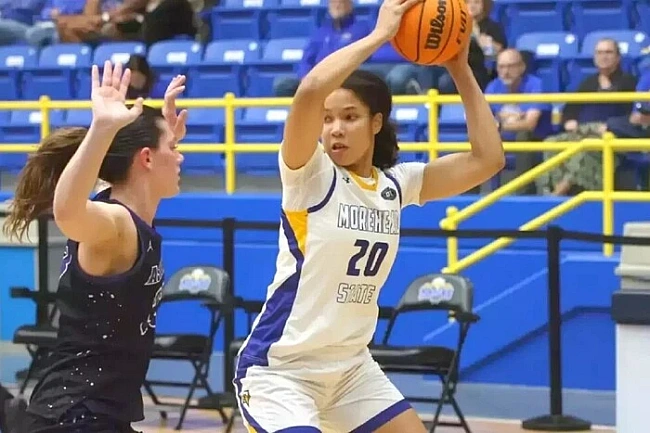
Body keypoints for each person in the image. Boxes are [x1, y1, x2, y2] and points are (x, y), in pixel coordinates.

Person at [233, 0, 505, 431]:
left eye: (349, 117)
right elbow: (309, 91)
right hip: (280, 372)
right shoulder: (310, 176)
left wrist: (459, 67)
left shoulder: (397, 185)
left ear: (376, 123)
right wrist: (379, 36)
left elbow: (488, 159)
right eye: (327, 119)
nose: (335, 129)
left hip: (351, 371)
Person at [1, 61, 187, 433]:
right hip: (74, 418)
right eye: (173, 148)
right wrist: (103, 128)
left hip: (94, 416)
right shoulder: (114, 223)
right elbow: (68, 210)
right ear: (146, 158)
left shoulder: (127, 211)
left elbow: (117, 164)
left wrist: (161, 132)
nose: (180, 156)